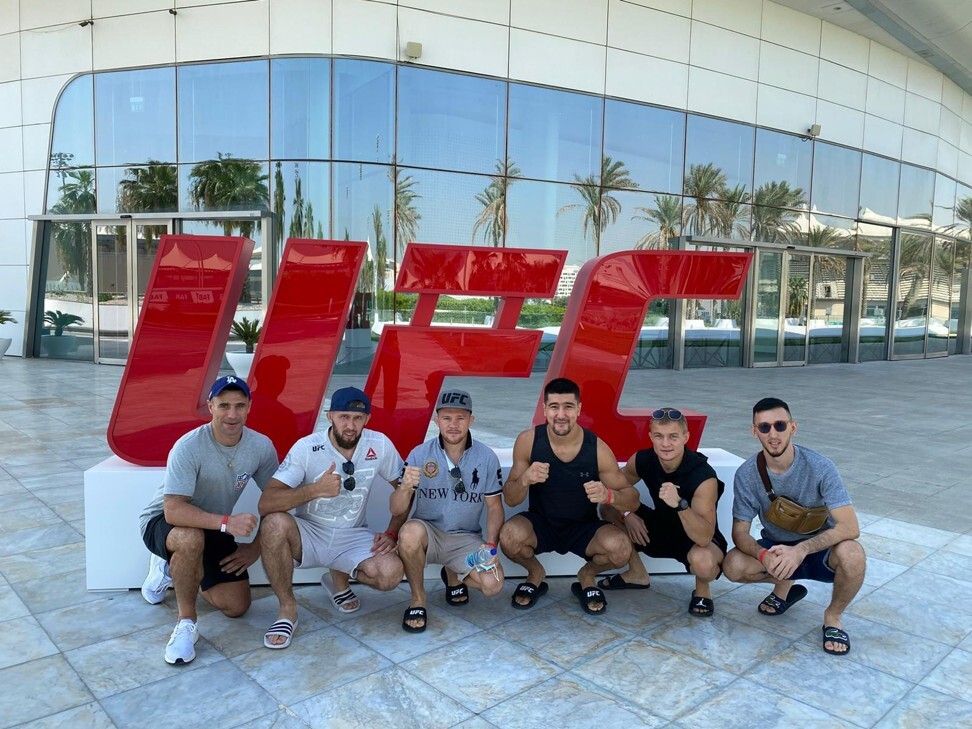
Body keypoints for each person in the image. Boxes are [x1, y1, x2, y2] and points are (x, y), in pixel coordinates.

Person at [138, 375, 279, 665]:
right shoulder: (189, 446)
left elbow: (277, 499)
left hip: (212, 526)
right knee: (190, 538)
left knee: (237, 606)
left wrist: (254, 547)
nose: (232, 414)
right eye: (224, 405)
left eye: (239, 406)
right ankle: (186, 623)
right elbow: (173, 510)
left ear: (249, 407)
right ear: (210, 406)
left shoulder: (261, 446)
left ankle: (178, 566)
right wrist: (227, 523)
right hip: (165, 521)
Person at [259, 387, 405, 649]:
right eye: (343, 417)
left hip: (352, 535)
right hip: (310, 533)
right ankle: (287, 609)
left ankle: (337, 580)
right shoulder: (307, 447)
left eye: (358, 418)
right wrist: (315, 490)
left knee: (390, 575)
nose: (350, 425)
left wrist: (393, 531)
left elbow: (405, 488)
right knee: (274, 523)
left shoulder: (379, 444)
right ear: (330, 416)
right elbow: (266, 503)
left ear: (367, 419)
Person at [722, 397, 866, 655]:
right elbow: (739, 532)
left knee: (853, 555)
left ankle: (832, 617)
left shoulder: (820, 466)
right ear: (754, 432)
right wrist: (763, 555)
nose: (773, 434)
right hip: (776, 549)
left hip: (819, 550)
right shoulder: (747, 473)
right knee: (733, 565)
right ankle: (785, 585)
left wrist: (800, 550)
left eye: (780, 425)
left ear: (793, 427)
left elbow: (850, 527)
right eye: (764, 427)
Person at [499, 377, 639, 615]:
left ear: (579, 409)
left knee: (621, 549)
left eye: (568, 406)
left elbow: (632, 498)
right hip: (541, 523)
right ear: (544, 409)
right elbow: (511, 499)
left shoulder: (597, 448)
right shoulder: (528, 441)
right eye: (554, 407)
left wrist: (609, 496)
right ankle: (535, 573)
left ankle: (587, 575)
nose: (561, 414)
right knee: (509, 537)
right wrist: (525, 480)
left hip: (583, 527)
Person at [394, 389, 505, 633]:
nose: (453, 425)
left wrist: (491, 543)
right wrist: (404, 488)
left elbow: (495, 506)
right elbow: (397, 509)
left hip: (465, 540)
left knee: (492, 585)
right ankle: (418, 600)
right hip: (429, 535)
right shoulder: (419, 454)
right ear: (437, 420)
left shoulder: (486, 457)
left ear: (471, 420)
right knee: (409, 533)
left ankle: (453, 573)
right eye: (446, 418)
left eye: (460, 418)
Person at [598, 407, 727, 617]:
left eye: (673, 437)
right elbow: (613, 487)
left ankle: (703, 591)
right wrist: (627, 516)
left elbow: (704, 537)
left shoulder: (703, 475)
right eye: (659, 436)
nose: (665, 444)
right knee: (608, 507)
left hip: (695, 537)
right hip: (659, 528)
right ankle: (637, 573)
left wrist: (679, 504)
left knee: (704, 564)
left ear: (686, 437)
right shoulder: (643, 460)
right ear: (651, 437)